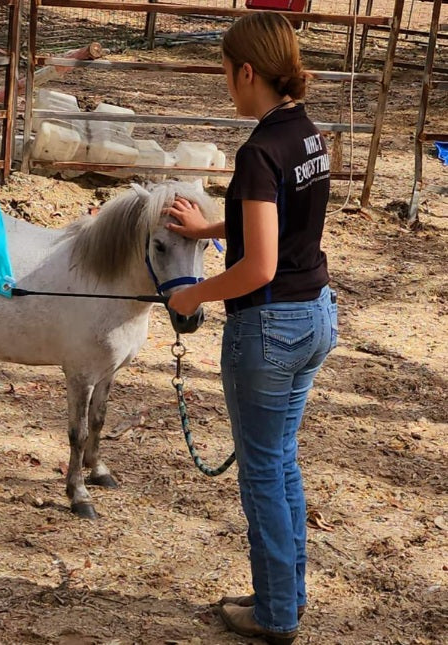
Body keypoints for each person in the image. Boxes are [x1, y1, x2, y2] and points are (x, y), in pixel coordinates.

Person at [166, 11, 338, 645]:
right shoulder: (307, 135)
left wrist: (194, 296)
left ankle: (274, 614)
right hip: (315, 313)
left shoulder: (259, 150)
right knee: (280, 463)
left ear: (246, 71)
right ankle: (283, 595)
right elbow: (280, 223)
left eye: (226, 76)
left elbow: (259, 262)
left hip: (269, 328)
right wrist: (209, 229)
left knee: (264, 472)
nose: (226, 88)